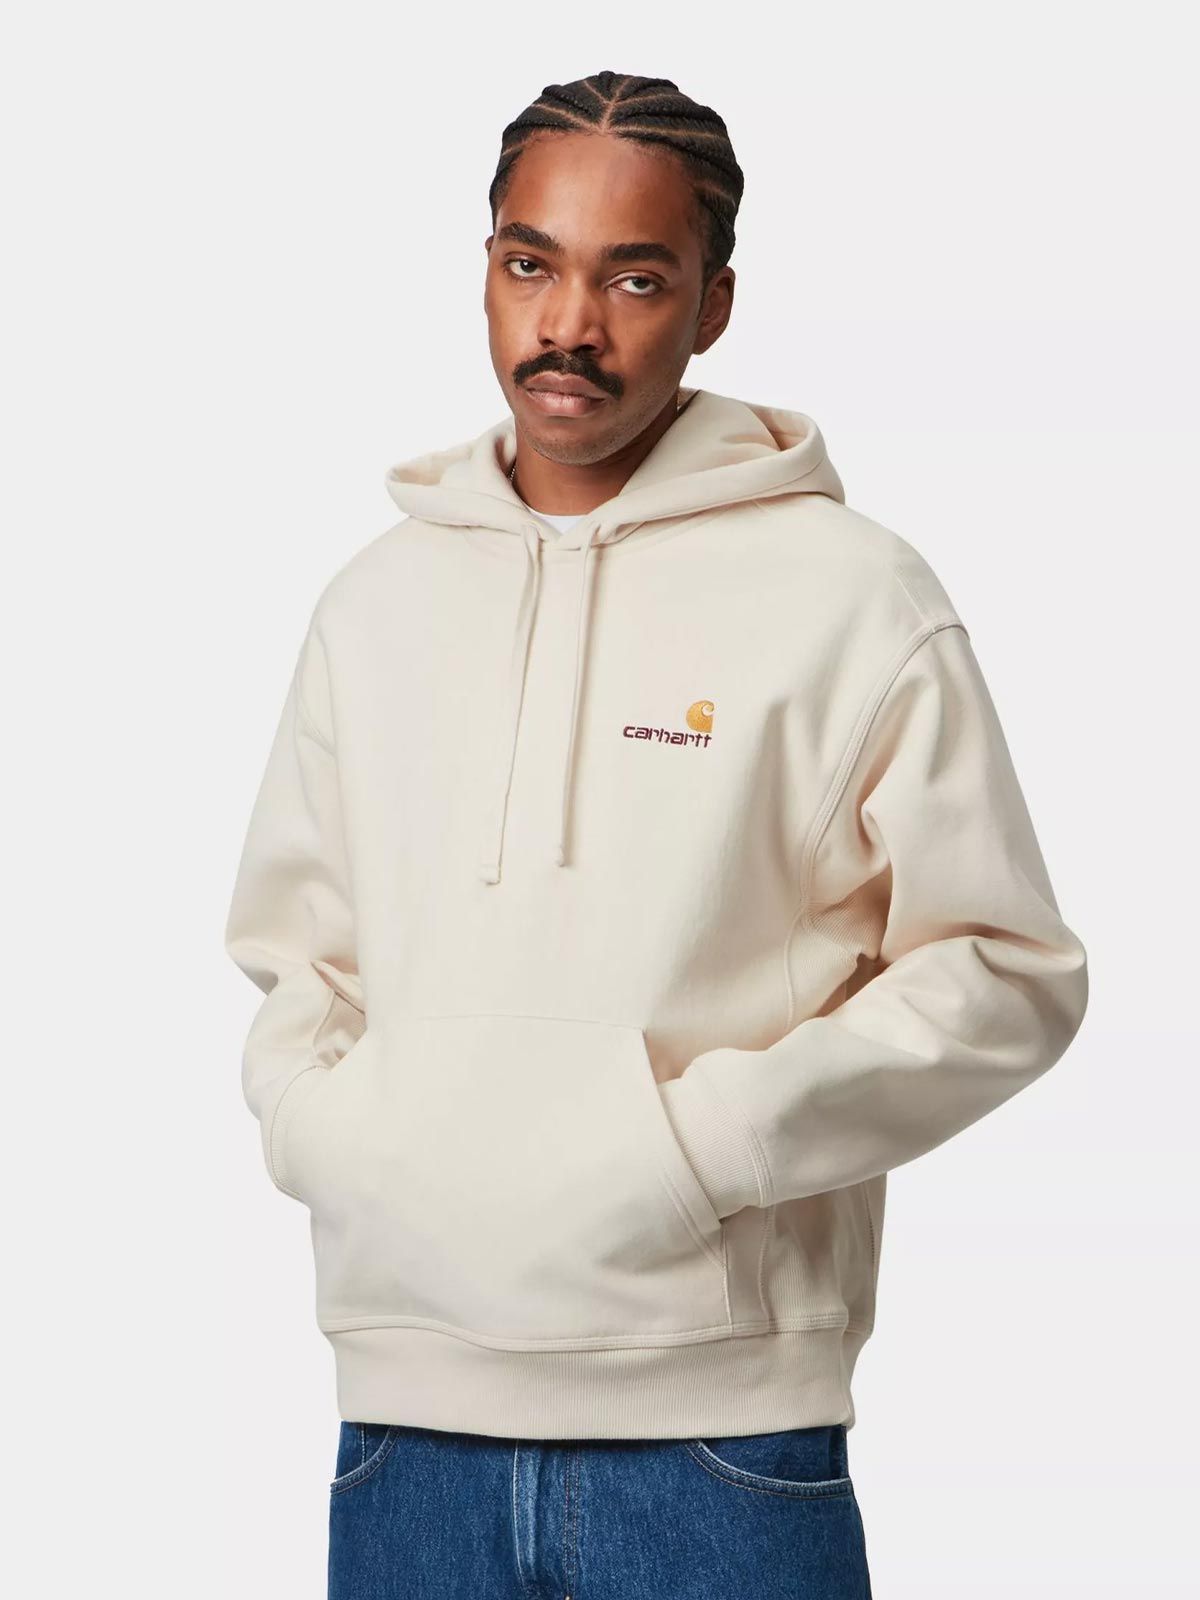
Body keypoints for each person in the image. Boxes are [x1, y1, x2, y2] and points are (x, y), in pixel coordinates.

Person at [223, 69, 1089, 1600]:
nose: (569, 324)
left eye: (635, 279)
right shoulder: (377, 603)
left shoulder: (851, 597)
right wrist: (328, 1136)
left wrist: (711, 1148)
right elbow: (303, 956)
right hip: (403, 1433)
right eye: (530, 263)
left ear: (714, 304)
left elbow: (1004, 968)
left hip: (720, 1446)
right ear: (486, 269)